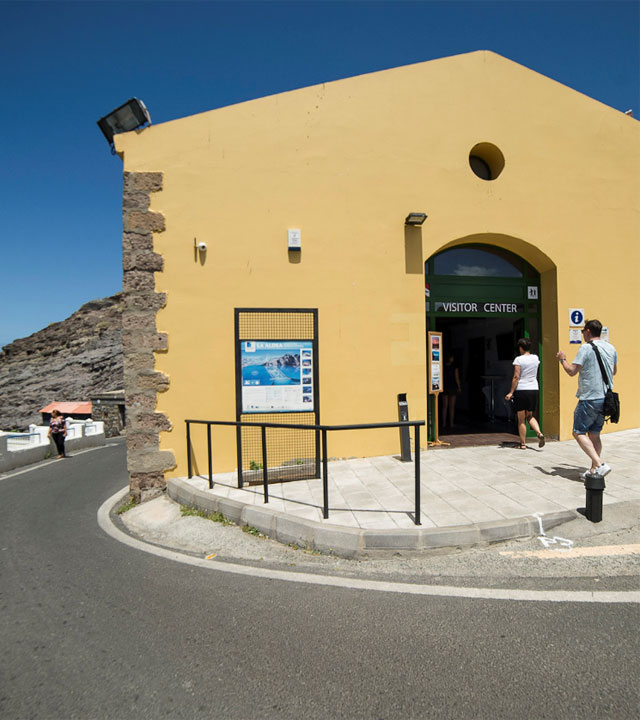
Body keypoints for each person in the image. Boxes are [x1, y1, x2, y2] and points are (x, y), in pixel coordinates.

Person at [557, 319, 617, 479]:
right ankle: (593, 471)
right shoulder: (611, 347)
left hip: (589, 397)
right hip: (606, 398)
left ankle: (599, 464)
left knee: (578, 432)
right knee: (595, 434)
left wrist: (562, 359)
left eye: (583, 331)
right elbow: (614, 371)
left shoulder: (585, 348)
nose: (583, 334)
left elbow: (571, 371)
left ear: (588, 331)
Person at [505, 338, 545, 449]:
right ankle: (539, 433)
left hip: (522, 389)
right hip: (533, 389)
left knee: (521, 419)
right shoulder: (535, 358)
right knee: (530, 415)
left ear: (520, 348)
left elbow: (516, 377)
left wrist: (511, 392)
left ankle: (522, 444)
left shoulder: (518, 360)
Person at [441, 353, 461, 430]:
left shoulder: (443, 367)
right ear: (451, 358)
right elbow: (457, 378)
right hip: (452, 387)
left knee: (444, 406)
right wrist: (459, 387)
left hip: (445, 386)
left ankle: (443, 423)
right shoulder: (454, 367)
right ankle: (451, 423)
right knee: (451, 407)